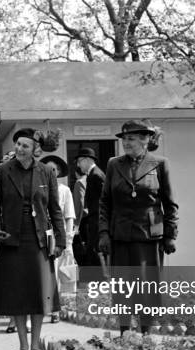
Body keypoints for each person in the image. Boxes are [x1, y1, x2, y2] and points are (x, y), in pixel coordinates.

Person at [0, 128, 65, 350]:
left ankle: (36, 347)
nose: (20, 149)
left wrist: (60, 241)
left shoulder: (46, 172)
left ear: (35, 150)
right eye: (18, 144)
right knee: (17, 295)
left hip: (38, 240)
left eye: (25, 146)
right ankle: (22, 347)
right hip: (11, 239)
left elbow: (54, 209)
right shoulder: (2, 172)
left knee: (39, 295)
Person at [98, 119, 178, 334]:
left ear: (145, 140)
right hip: (120, 235)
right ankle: (124, 333)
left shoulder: (160, 163)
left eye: (131, 139)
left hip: (149, 236)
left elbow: (169, 203)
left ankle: (145, 334)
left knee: (147, 286)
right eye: (124, 139)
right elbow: (105, 202)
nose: (126, 143)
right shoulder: (114, 164)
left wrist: (170, 235)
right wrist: (104, 233)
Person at [40, 155, 75, 323]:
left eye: (53, 169)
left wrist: (68, 239)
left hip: (58, 235)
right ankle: (44, 306)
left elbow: (69, 215)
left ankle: (57, 309)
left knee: (59, 272)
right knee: (45, 272)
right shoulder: (38, 187)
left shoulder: (64, 190)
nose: (50, 172)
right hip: (42, 234)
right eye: (47, 169)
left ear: (58, 172)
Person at [76, 147, 105, 270]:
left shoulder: (96, 175)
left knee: (95, 250)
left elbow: (104, 200)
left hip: (98, 221)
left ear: (87, 160)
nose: (78, 165)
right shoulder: (92, 174)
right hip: (94, 220)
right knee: (93, 250)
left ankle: (100, 282)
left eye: (79, 161)